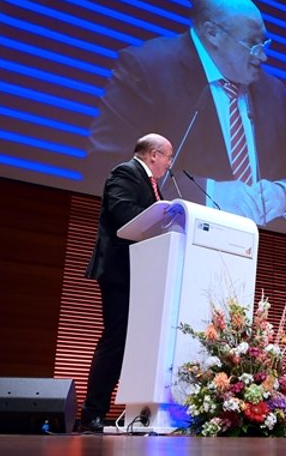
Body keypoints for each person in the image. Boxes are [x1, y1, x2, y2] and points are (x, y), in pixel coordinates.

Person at [86, 0, 286, 229]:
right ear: (212, 33)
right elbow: (107, 164)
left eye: (264, 44)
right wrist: (209, 194)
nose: (262, 56)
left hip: (257, 250)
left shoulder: (272, 91)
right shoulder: (146, 68)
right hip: (173, 240)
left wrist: (284, 195)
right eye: (253, 44)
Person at [80, 133, 174, 432]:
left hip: (141, 274)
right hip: (120, 272)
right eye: (168, 157)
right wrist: (161, 220)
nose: (169, 164)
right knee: (115, 339)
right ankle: (92, 412)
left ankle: (128, 411)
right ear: (154, 155)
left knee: (130, 343)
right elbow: (122, 213)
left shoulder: (150, 182)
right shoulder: (125, 172)